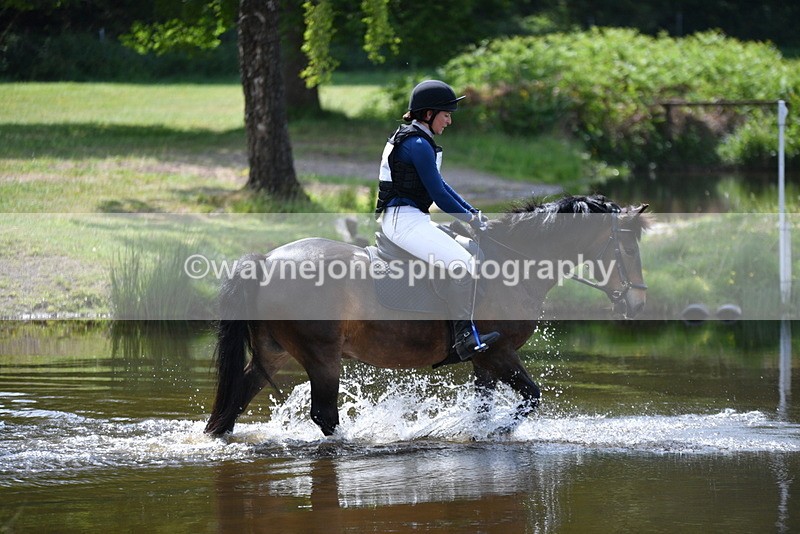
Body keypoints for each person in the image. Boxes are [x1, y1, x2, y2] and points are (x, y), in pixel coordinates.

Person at [375, 79, 500, 361]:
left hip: (411, 219)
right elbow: (439, 196)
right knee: (463, 265)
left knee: (470, 249)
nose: (449, 121)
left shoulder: (418, 140)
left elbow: (442, 186)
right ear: (429, 114)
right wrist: (472, 220)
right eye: (446, 115)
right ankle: (464, 338)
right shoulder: (417, 144)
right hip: (404, 222)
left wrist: (474, 213)